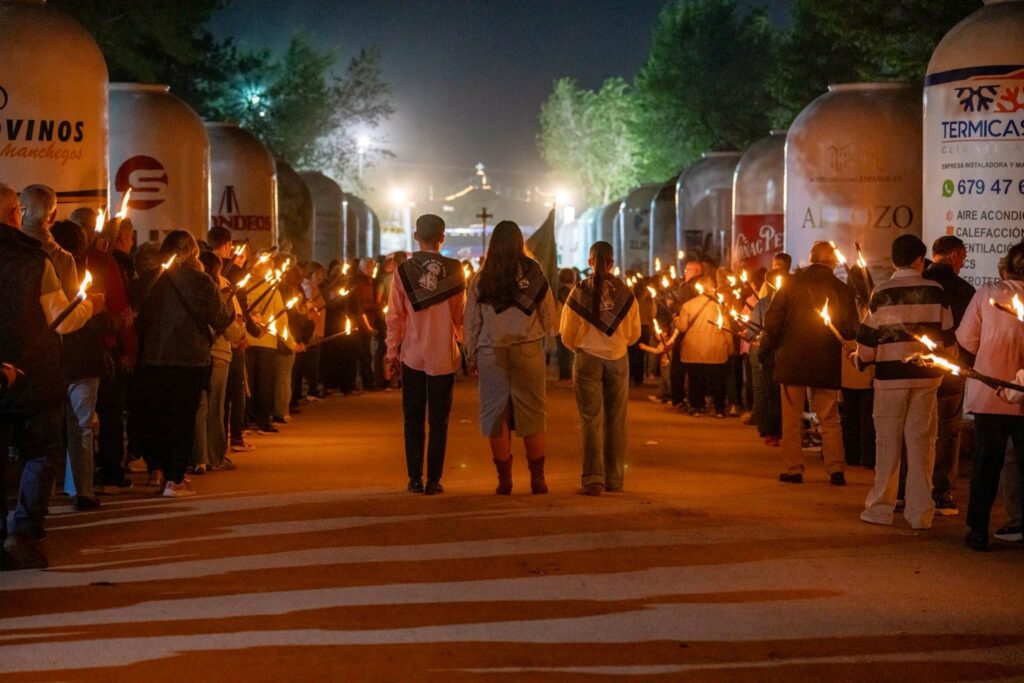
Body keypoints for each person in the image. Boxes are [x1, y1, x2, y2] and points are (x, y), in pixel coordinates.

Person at [0, 184, 102, 569]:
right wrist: (89, 306)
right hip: (34, 376)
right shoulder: (35, 261)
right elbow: (62, 320)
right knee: (40, 452)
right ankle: (24, 532)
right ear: (14, 214)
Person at [856, 234, 954, 530]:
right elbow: (948, 340)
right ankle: (920, 513)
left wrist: (860, 358)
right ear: (918, 260)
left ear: (894, 260)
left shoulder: (881, 292)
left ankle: (880, 509)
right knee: (922, 445)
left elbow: (868, 344)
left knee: (887, 444)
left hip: (889, 381)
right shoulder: (936, 291)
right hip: (926, 379)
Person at [134, 231, 234, 497]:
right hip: (191, 359)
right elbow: (221, 319)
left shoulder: (149, 280)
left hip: (154, 358)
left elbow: (135, 315)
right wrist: (229, 302)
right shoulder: (202, 281)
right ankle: (175, 479)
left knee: (159, 416)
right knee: (183, 419)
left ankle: (159, 470)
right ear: (193, 252)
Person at [464, 220, 558, 495]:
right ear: (519, 242)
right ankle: (537, 479)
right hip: (528, 349)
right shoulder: (534, 272)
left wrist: (471, 355)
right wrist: (546, 340)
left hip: (491, 352)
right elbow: (549, 314)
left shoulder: (482, 278)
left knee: (496, 415)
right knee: (532, 413)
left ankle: (504, 481)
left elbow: (471, 322)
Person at [761, 241, 858, 485]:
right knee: (829, 416)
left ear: (811, 258)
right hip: (825, 359)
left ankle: (794, 469)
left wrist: (772, 346)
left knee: (792, 418)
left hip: (791, 359)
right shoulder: (842, 289)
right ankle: (836, 468)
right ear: (833, 262)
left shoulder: (791, 285)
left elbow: (772, 321)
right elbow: (849, 328)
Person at [385, 214, 466, 495]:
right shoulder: (456, 270)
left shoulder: (403, 271)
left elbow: (394, 316)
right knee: (439, 421)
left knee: (413, 419)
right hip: (443, 355)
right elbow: (460, 317)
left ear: (416, 236)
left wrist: (390, 352)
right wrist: (466, 346)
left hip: (411, 354)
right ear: (443, 237)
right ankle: (434, 479)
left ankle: (413, 478)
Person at [560, 241, 641, 496]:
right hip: (618, 358)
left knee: (590, 420)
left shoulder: (578, 291)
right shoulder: (625, 292)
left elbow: (566, 333)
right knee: (616, 420)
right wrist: (616, 345)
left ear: (590, 262)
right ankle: (615, 479)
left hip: (587, 358)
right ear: (611, 263)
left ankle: (593, 478)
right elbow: (635, 332)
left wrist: (582, 349)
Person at [957, 241, 1024, 551]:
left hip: (989, 393)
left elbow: (967, 340)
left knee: (986, 465)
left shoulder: (987, 293)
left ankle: (978, 530)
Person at [50, 220, 105, 510]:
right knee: (81, 427)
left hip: (52, 361)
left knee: (48, 430)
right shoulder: (86, 277)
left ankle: (44, 494)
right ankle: (82, 490)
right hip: (83, 362)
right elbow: (98, 322)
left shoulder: (43, 275)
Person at [923, 235, 976, 515]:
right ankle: (941, 493)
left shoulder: (919, 284)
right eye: (964, 258)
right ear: (955, 255)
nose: (963, 264)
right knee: (948, 431)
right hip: (952, 369)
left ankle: (908, 489)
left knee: (917, 428)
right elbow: (971, 335)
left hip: (918, 369)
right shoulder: (965, 290)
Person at [193, 251, 245, 474]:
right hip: (219, 354)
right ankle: (214, 456)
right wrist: (239, 335)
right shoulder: (219, 291)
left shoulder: (191, 290)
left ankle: (198, 457)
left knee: (199, 406)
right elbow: (229, 322)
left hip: (196, 355)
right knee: (215, 407)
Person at [674, 275, 732, 417]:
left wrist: (676, 320)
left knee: (695, 379)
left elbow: (682, 327)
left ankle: (696, 406)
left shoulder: (688, 305)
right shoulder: (719, 307)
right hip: (715, 348)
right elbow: (726, 328)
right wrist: (730, 346)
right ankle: (719, 408)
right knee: (717, 380)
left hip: (693, 348)